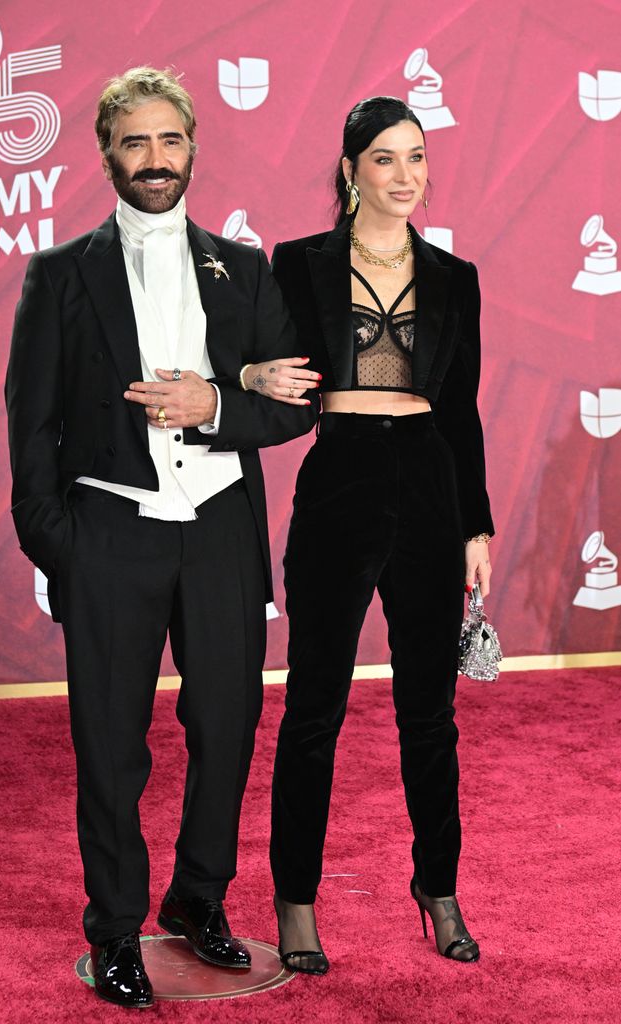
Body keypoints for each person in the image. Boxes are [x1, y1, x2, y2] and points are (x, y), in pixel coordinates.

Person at [5, 66, 315, 1009]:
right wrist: (66, 550)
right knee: (110, 744)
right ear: (106, 152)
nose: (153, 159)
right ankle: (114, 930)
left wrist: (215, 401)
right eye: (133, 141)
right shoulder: (60, 274)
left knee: (224, 731)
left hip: (219, 531)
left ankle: (196, 902)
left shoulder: (244, 269)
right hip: (109, 532)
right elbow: (30, 427)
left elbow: (293, 404)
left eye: (168, 140)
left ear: (192, 149)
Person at [241, 95, 494, 973]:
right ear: (350, 170)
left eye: (416, 158)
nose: (404, 176)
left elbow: (460, 412)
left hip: (427, 480)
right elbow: (256, 364)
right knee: (315, 706)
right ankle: (296, 899)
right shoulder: (299, 264)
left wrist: (476, 526)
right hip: (341, 475)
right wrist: (243, 370)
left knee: (431, 713)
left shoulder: (454, 276)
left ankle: (438, 886)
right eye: (384, 158)